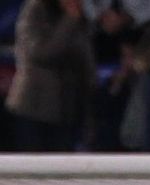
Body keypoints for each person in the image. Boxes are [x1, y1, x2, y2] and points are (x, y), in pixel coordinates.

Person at [6, 0, 95, 151]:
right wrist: (69, 20)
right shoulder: (35, 9)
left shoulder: (79, 17)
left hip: (68, 108)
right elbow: (40, 52)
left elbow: (85, 57)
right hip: (35, 107)